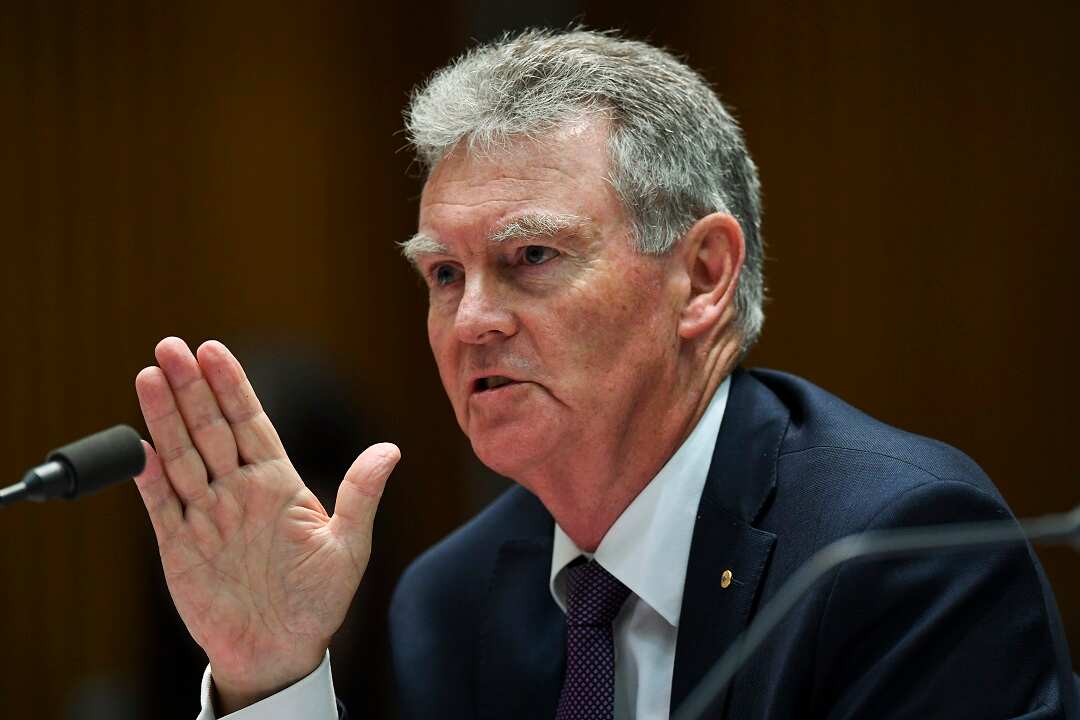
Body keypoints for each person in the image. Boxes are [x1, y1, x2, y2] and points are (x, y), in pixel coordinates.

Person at [132, 29, 1076, 720]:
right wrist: (274, 677)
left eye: (531, 256)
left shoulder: (894, 552)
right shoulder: (452, 603)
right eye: (444, 274)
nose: (471, 322)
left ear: (702, 276)